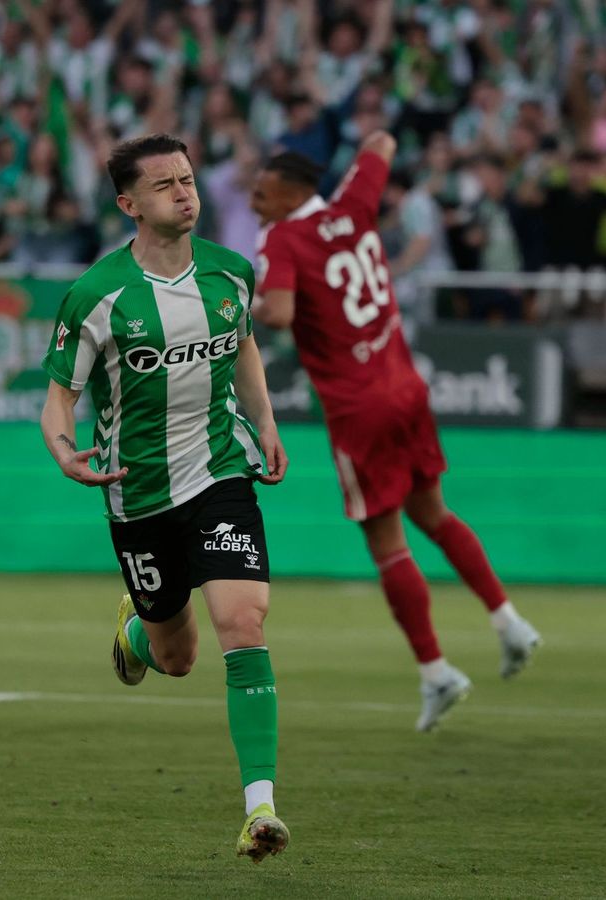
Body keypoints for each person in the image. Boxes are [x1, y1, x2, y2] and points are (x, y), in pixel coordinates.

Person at [38, 133, 291, 863]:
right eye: (165, 185)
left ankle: (260, 810)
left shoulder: (232, 273)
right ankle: (137, 635)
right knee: (177, 657)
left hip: (221, 469)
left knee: (243, 621)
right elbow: (59, 402)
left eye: (188, 180)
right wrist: (62, 451)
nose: (185, 194)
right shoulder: (97, 296)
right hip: (138, 492)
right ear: (129, 204)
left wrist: (266, 422)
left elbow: (241, 343)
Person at [248, 135, 542, 733]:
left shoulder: (284, 238)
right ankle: (509, 621)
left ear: (293, 191)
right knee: (433, 512)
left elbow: (277, 313)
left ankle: (436, 672)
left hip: (359, 407)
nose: (253, 199)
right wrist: (363, 158)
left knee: (388, 543)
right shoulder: (353, 204)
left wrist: (233, 306)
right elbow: (383, 140)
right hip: (405, 385)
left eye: (262, 189)